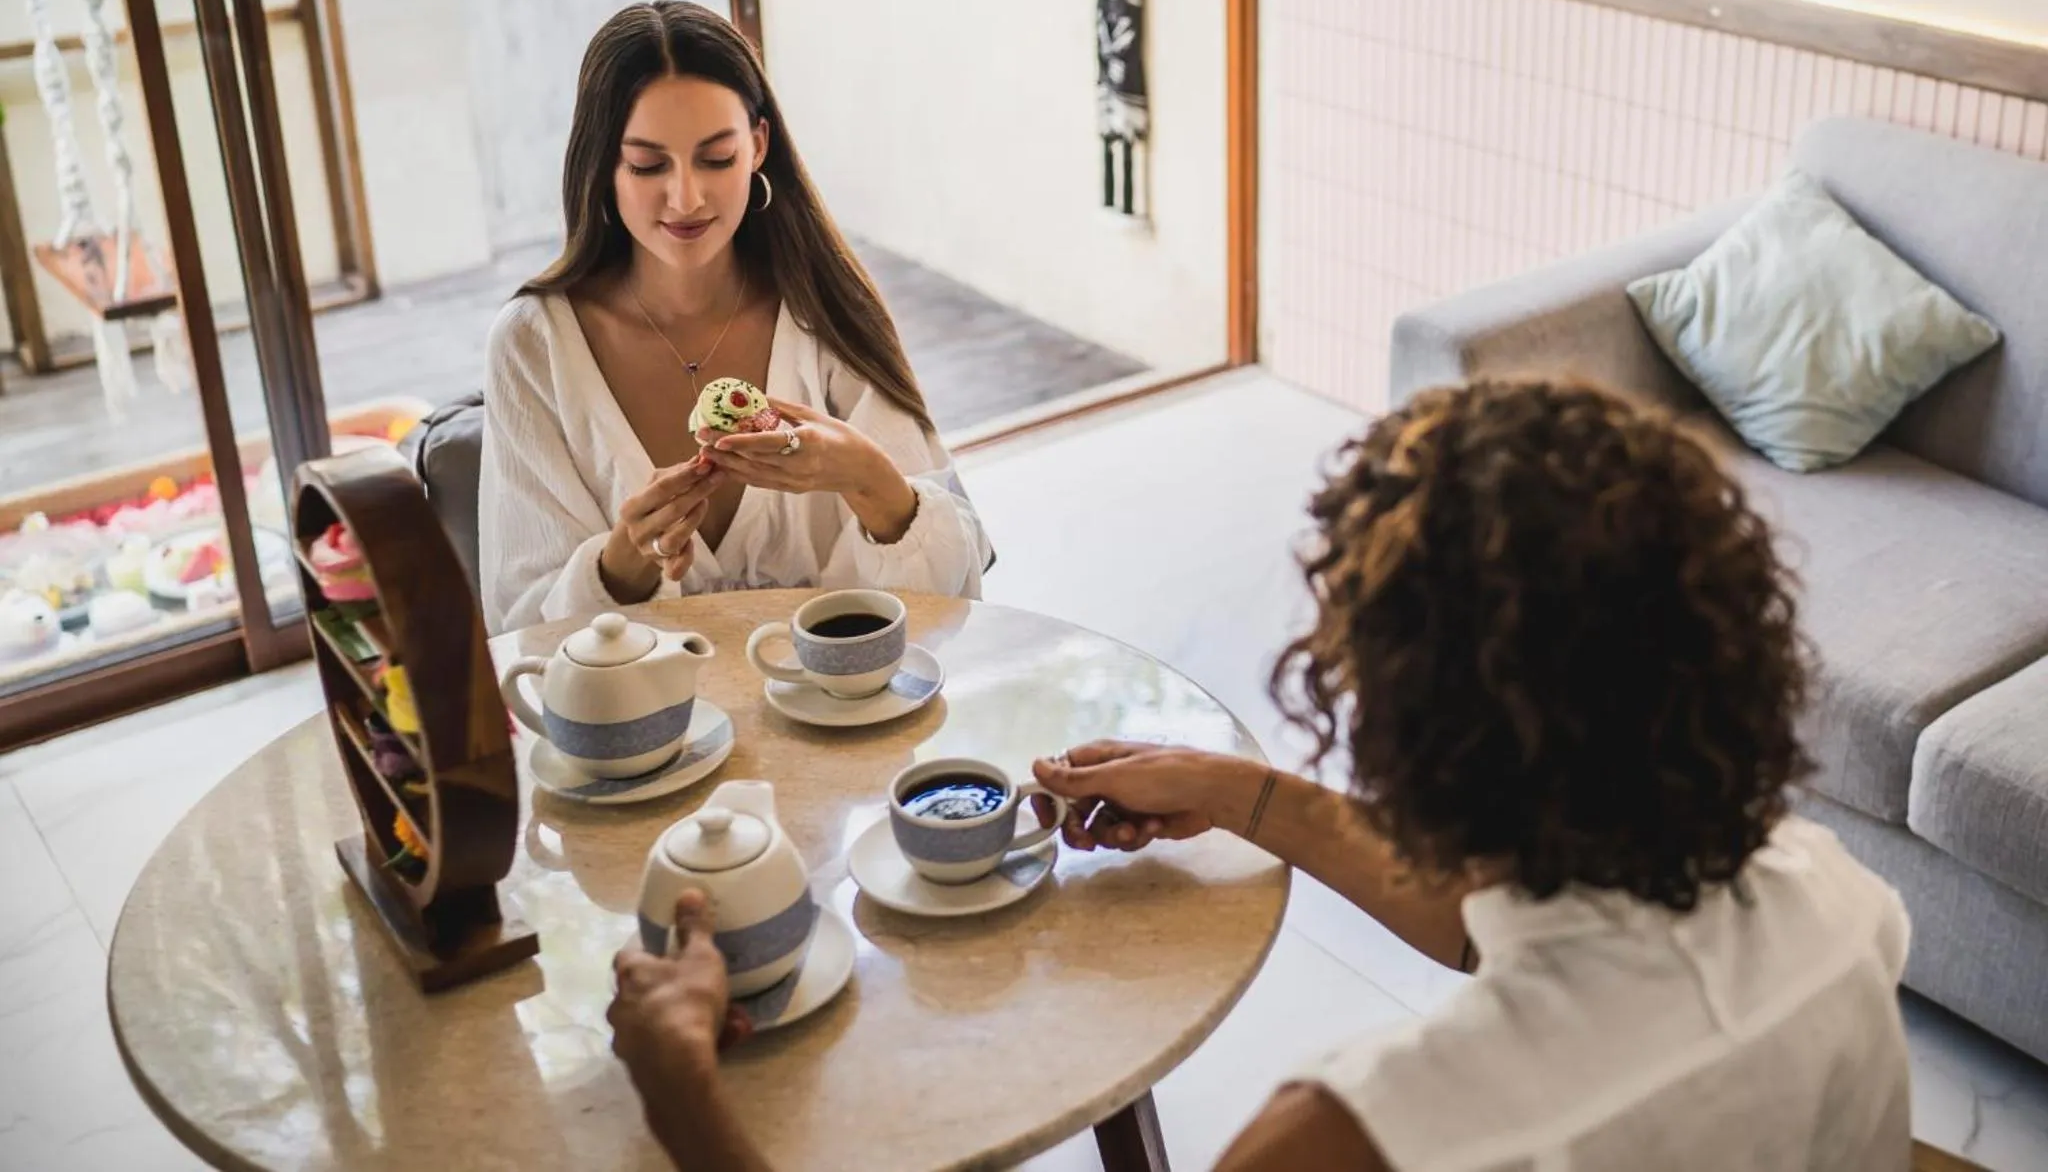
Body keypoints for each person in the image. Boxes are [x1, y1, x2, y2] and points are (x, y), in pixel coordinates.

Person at [608, 379, 1914, 1171]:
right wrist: (1245, 794)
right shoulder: (1836, 907)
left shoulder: (1353, 1140)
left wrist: (694, 1116)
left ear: (1419, 738)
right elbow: (1546, 929)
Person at [480, 1, 989, 632]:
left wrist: (867, 480)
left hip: (841, 715)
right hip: (649, 726)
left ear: (758, 147)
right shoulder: (535, 344)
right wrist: (623, 563)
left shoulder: (822, 309)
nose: (686, 197)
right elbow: (521, 634)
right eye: (647, 165)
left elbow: (948, 602)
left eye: (717, 158)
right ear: (601, 166)